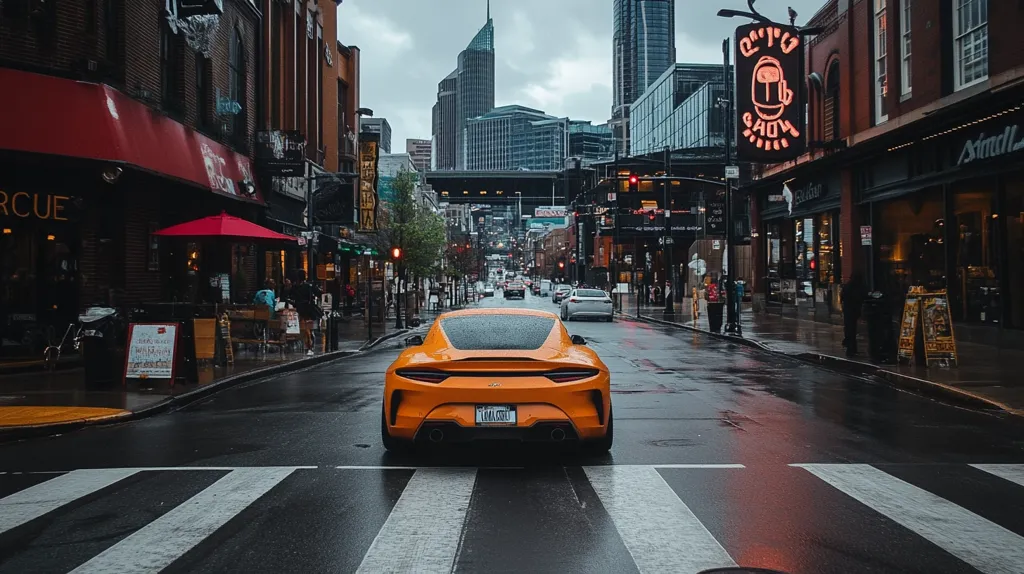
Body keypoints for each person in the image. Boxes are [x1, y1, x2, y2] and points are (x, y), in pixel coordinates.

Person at [291, 272, 323, 356]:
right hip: (304, 310)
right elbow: (319, 294)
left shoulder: (301, 287)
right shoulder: (306, 286)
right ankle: (308, 346)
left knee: (306, 329)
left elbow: (293, 298)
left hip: (304, 310)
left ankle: (309, 346)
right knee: (305, 329)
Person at [841, 272, 868, 357]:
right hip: (854, 310)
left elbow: (842, 297)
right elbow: (864, 296)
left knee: (850, 329)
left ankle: (850, 348)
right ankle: (851, 349)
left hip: (848, 310)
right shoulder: (860, 287)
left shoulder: (848, 286)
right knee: (852, 329)